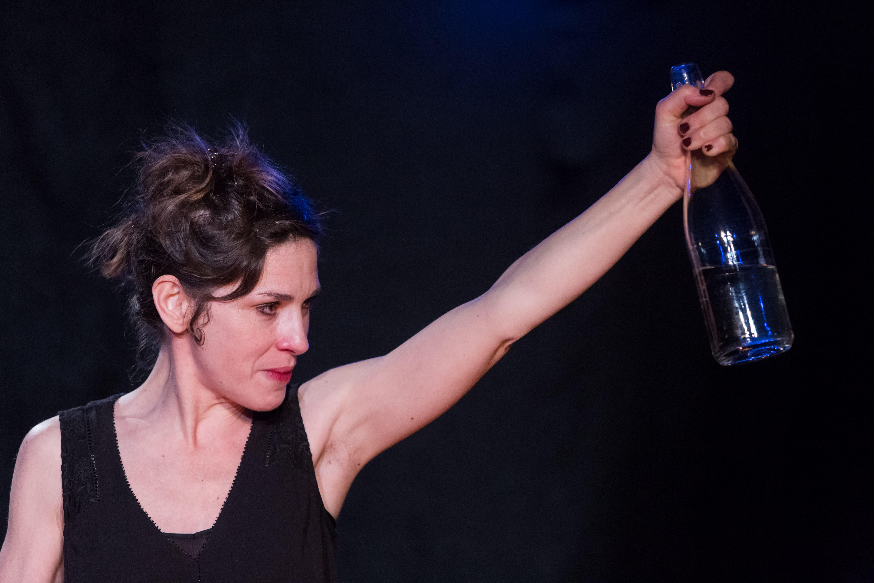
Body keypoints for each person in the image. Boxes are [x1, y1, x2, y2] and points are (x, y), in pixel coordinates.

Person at [0, 71, 737, 582]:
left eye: (306, 306)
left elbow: (502, 313)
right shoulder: (60, 458)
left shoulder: (319, 432)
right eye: (268, 308)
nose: (299, 339)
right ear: (176, 303)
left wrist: (658, 177)